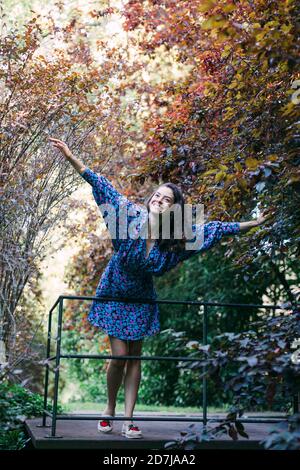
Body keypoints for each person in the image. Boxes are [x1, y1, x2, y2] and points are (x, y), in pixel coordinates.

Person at [49, 137, 271, 439]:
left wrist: (254, 223)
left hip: (141, 298)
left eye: (166, 199)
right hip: (114, 291)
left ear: (173, 209)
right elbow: (101, 185)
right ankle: (109, 409)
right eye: (157, 196)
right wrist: (70, 155)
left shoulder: (176, 240)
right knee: (119, 357)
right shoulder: (127, 216)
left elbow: (215, 229)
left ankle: (128, 420)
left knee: (135, 357)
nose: (159, 200)